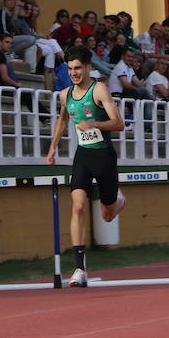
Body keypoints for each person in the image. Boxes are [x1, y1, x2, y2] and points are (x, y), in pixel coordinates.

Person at [47, 45, 127, 287]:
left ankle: (119, 202)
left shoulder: (99, 89)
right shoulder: (65, 94)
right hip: (82, 156)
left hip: (104, 158)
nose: (74, 72)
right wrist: (53, 147)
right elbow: (63, 118)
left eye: (78, 68)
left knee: (107, 214)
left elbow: (119, 123)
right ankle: (79, 268)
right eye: (70, 68)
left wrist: (93, 123)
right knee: (78, 207)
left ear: (88, 68)